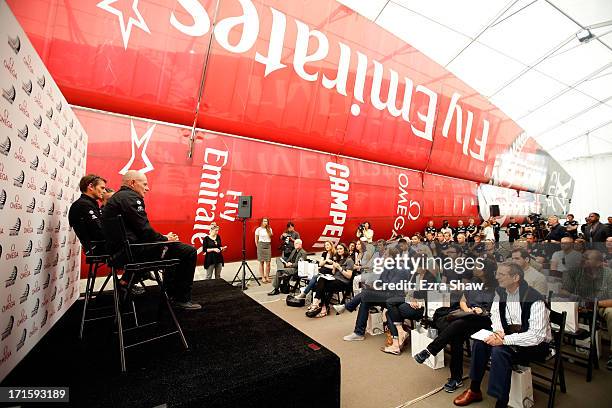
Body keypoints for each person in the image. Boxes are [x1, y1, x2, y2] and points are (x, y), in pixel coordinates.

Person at [453, 262, 551, 407]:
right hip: (507, 335)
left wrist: (503, 340)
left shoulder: (534, 298)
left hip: (534, 345)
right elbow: (495, 314)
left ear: (515, 277)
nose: (497, 277)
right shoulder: (501, 292)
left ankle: (501, 402)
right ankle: (474, 390)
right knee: (481, 343)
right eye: (497, 273)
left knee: (499, 351)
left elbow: (536, 336)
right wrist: (498, 332)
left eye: (501, 274)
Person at [102, 170, 201, 310]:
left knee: (174, 248)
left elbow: (140, 231)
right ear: (132, 183)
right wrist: (165, 238)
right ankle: (180, 298)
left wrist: (163, 239)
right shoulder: (131, 197)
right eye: (145, 184)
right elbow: (145, 231)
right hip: (133, 253)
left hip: (123, 252)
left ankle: (165, 292)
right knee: (188, 251)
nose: (147, 188)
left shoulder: (118, 198)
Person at [414, 259, 498, 392]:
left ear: (486, 271)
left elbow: (494, 311)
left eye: (478, 267)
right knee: (456, 335)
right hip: (467, 317)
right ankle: (455, 378)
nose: (474, 268)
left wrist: (481, 311)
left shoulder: (496, 288)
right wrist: (467, 311)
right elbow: (463, 301)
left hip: (485, 320)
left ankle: (430, 351)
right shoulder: (474, 282)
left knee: (457, 327)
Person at [560, 249, 612, 371]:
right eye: (583, 258)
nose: (583, 260)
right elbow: (563, 290)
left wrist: (593, 303)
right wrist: (573, 296)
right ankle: (554, 343)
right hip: (579, 302)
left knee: (611, 312)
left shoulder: (609, 274)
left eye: (587, 258)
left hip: (601, 304)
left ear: (599, 263)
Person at [306, 243, 354, 318]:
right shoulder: (338, 259)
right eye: (338, 249)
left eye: (341, 249)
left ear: (345, 249)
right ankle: (317, 304)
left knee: (322, 287)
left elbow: (349, 276)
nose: (339, 250)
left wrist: (340, 268)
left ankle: (321, 306)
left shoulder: (349, 260)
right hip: (335, 278)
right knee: (321, 280)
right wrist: (334, 268)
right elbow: (333, 273)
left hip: (343, 282)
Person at [68, 174, 107, 254]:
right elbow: (98, 232)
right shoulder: (84, 205)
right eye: (102, 188)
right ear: (91, 186)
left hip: (101, 245)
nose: (104, 191)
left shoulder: (89, 203)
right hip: (99, 248)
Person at [255, 218, 273, 283]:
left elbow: (270, 237)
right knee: (261, 262)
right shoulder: (258, 229)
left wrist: (268, 230)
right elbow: (256, 239)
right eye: (264, 221)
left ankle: (267, 276)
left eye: (266, 221)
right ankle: (263, 277)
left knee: (268, 262)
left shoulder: (269, 229)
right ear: (262, 222)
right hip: (261, 245)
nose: (265, 222)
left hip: (268, 245)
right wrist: (258, 247)